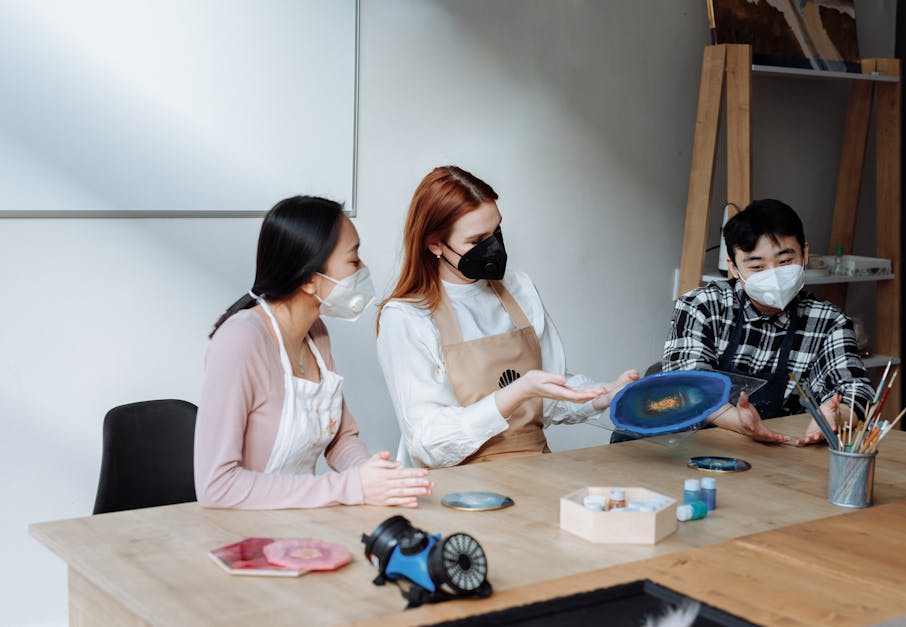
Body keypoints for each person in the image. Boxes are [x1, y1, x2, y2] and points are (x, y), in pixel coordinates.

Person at [376, 165, 639, 468]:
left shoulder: (519, 289)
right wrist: (515, 393)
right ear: (435, 243)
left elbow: (549, 393)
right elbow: (429, 443)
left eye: (496, 232)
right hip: (459, 484)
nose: (494, 248)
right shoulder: (407, 317)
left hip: (536, 469)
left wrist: (604, 394)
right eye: (476, 242)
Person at [194, 196, 433, 509]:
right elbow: (217, 487)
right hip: (242, 536)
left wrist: (374, 476)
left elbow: (340, 440)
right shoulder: (241, 340)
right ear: (310, 279)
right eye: (353, 260)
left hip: (301, 524)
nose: (363, 270)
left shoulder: (316, 333)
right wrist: (351, 487)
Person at [656, 198, 874, 445]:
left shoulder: (828, 322)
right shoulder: (702, 306)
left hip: (781, 450)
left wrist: (835, 416)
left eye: (784, 262)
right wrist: (738, 420)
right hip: (695, 446)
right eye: (757, 266)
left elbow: (858, 391)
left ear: (804, 253)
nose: (774, 275)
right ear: (734, 268)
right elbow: (687, 383)